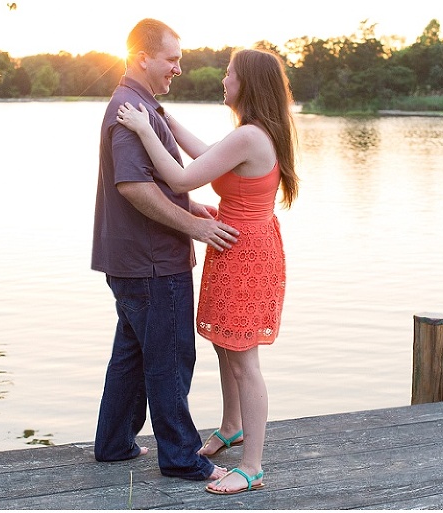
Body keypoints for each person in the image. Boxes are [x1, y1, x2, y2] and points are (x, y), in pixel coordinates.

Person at [116, 47, 299, 495]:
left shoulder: (251, 136)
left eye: (229, 74)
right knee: (225, 344)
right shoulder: (249, 135)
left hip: (245, 252)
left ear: (246, 84)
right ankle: (232, 426)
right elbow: (206, 156)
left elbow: (183, 179)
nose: (223, 80)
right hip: (236, 244)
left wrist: (144, 128)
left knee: (243, 357)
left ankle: (252, 466)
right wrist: (165, 121)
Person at [91, 18, 239, 482]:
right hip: (153, 263)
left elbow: (150, 184)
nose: (179, 67)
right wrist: (193, 225)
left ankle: (114, 443)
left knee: (133, 353)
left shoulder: (139, 105)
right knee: (171, 358)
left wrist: (190, 203)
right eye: (171, 59)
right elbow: (134, 187)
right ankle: (180, 456)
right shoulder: (129, 110)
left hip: (133, 259)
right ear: (142, 59)